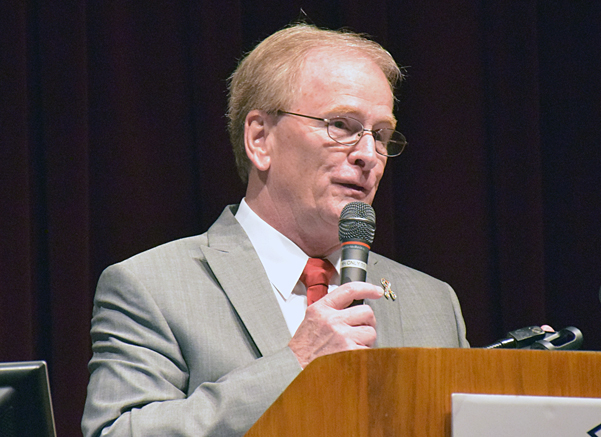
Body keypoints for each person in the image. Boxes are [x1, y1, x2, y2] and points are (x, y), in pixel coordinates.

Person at [82, 23, 468, 436]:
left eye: (381, 134)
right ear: (260, 139)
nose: (368, 154)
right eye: (341, 125)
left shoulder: (433, 303)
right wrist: (296, 363)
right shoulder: (152, 286)